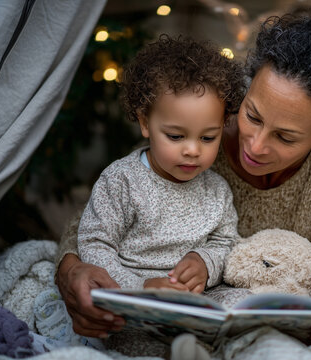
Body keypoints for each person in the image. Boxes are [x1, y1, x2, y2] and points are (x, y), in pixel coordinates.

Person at [55, 7, 311, 355]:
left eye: (285, 137)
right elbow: (97, 222)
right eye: (251, 115)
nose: (256, 144)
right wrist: (73, 272)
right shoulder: (204, 119)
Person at [76, 35, 245, 293]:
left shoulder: (217, 190)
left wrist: (205, 263)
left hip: (195, 298)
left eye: (208, 137)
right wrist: (140, 287)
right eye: (176, 136)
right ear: (145, 123)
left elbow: (227, 243)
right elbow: (94, 243)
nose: (192, 150)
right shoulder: (122, 180)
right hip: (132, 295)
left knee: (240, 302)